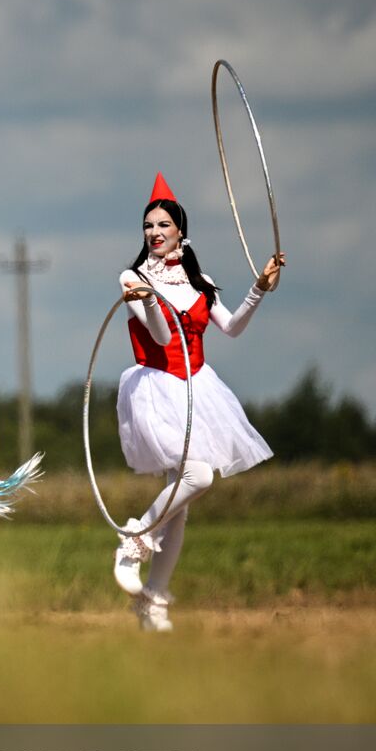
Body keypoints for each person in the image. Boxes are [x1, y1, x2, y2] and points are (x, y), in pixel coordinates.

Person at [111, 173, 285, 631]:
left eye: (163, 224)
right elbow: (163, 335)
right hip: (156, 387)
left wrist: (259, 289)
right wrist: (148, 300)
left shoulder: (199, 280)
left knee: (182, 503)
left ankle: (154, 601)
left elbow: (231, 328)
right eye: (148, 226)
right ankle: (134, 539)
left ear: (180, 232)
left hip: (197, 388)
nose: (154, 232)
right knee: (198, 475)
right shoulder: (133, 277)